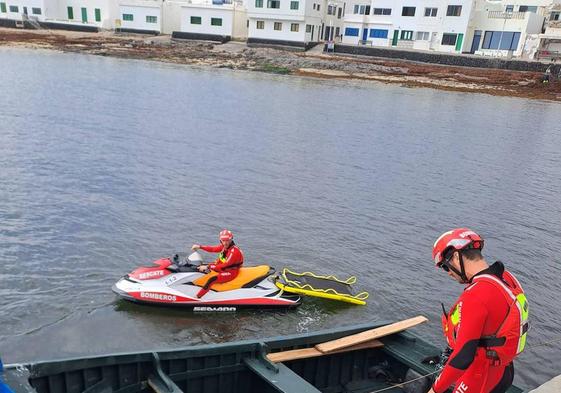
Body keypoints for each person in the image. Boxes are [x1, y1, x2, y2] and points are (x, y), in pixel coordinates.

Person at [427, 228, 529, 393]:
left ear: (454, 257)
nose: (448, 274)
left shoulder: (476, 295)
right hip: (504, 370)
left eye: (445, 267)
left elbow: (463, 357)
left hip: (481, 376)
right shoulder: (507, 278)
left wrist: (435, 390)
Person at [191, 229, 244, 298]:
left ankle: (197, 297)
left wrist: (208, 267)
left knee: (212, 279)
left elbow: (224, 266)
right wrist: (200, 247)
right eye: (223, 240)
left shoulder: (234, 252)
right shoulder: (224, 246)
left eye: (227, 240)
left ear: (231, 240)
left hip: (230, 272)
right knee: (198, 267)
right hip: (222, 268)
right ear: (220, 240)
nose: (225, 243)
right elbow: (213, 249)